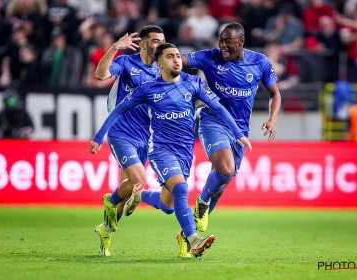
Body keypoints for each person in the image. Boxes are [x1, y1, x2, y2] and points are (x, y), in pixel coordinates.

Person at [90, 42, 252, 258]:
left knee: (168, 205)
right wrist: (100, 136)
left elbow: (218, 108)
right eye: (169, 56)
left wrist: (238, 133)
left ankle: (140, 195)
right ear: (159, 64)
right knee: (182, 189)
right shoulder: (148, 89)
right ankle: (194, 239)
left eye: (177, 56)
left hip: (185, 153)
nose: (176, 59)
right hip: (160, 150)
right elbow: (119, 110)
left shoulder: (194, 84)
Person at [179, 22, 281, 238]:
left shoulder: (259, 62)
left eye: (228, 41)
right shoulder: (210, 57)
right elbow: (179, 59)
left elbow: (275, 93)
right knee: (225, 169)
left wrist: (272, 119)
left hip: (240, 130)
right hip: (213, 121)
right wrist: (160, 52)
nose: (223, 45)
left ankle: (188, 237)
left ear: (241, 42)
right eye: (221, 40)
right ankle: (202, 201)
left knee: (222, 184)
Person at [92, 25, 165, 257]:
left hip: (145, 135)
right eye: (155, 41)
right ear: (142, 44)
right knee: (140, 182)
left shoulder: (162, 70)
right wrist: (114, 48)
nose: (160, 45)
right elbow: (100, 75)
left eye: (162, 41)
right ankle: (109, 201)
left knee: (128, 194)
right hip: (120, 131)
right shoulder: (126, 63)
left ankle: (105, 230)